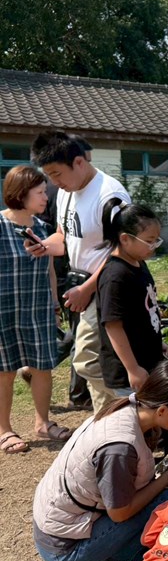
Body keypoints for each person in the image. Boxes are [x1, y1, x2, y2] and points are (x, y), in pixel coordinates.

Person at [33, 360, 168, 561]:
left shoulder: (131, 408)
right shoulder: (119, 447)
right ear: (162, 410)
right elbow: (120, 513)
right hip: (65, 549)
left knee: (165, 497)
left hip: (60, 526)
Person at [29, 130, 131, 413]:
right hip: (80, 285)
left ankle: (112, 422)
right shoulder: (66, 194)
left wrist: (87, 289)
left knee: (89, 359)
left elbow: (123, 251)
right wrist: (44, 246)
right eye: (48, 175)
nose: (54, 182)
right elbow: (64, 235)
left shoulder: (110, 195)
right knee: (93, 359)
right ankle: (112, 421)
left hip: (106, 287)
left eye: (56, 173)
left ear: (78, 162)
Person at [0, 165, 71, 454]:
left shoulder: (42, 228)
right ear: (21, 193)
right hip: (3, 310)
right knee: (4, 371)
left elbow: (50, 271)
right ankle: (4, 430)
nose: (45, 197)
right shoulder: (0, 226)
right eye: (40, 192)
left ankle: (43, 422)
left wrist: (54, 302)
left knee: (43, 367)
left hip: (38, 307)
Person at [96, 199, 165, 395]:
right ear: (125, 238)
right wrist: (132, 369)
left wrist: (156, 342)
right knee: (137, 420)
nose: (154, 246)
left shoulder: (138, 264)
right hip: (128, 374)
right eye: (149, 241)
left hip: (146, 363)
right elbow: (113, 326)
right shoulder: (115, 276)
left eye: (156, 240)